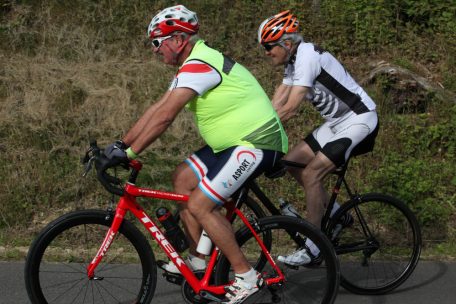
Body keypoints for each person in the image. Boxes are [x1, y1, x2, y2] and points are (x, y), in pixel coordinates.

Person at [101, 5, 288, 303]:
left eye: (157, 42)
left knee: (201, 205)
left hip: (256, 143)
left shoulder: (201, 63)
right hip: (231, 145)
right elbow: (157, 109)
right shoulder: (190, 66)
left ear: (178, 40)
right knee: (182, 179)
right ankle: (199, 261)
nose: (154, 50)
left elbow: (165, 118)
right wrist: (120, 145)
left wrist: (132, 151)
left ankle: (246, 275)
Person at [257, 10, 379, 266]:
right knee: (291, 162)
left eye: (269, 46)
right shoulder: (293, 61)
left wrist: (260, 134)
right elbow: (278, 100)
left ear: (286, 43)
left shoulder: (307, 56)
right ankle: (337, 217)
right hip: (337, 123)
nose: (266, 52)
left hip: (359, 119)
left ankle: (314, 245)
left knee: (312, 174)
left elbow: (290, 107)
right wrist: (255, 126)